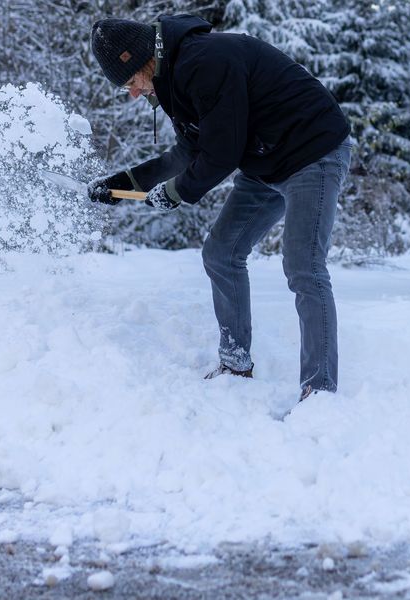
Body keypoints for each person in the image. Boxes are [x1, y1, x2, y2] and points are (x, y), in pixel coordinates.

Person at [89, 14, 352, 404]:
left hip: (312, 151)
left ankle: (321, 390)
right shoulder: (174, 78)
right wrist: (124, 184)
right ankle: (235, 362)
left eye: (130, 82)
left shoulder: (204, 60)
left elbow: (222, 151)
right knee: (221, 253)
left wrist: (177, 192)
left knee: (303, 266)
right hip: (266, 161)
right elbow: (189, 151)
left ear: (142, 60)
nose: (131, 93)